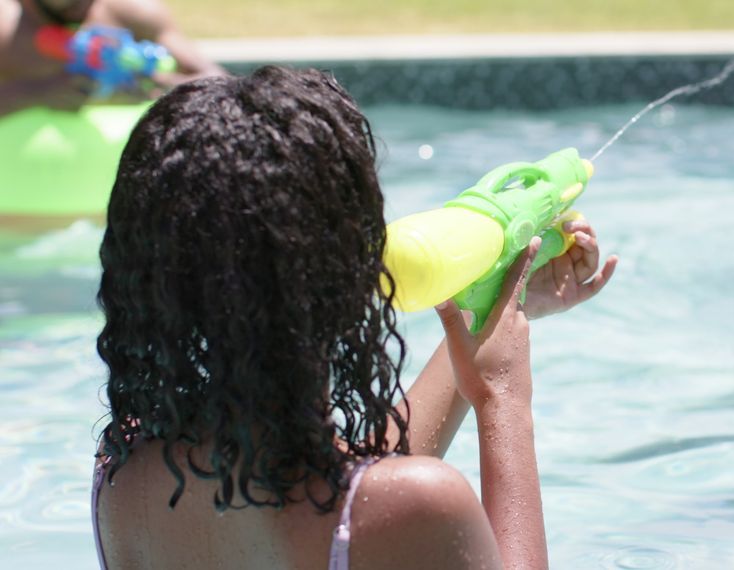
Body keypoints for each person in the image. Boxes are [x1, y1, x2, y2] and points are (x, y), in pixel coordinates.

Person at [92, 66, 618, 569]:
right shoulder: (421, 506)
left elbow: (353, 503)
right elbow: (373, 510)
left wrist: (494, 309)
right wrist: (501, 395)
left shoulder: (126, 466)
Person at [0, 0, 225, 116]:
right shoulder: (6, 22)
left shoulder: (131, 11)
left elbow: (219, 82)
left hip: (110, 190)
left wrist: (161, 88)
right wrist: (35, 92)